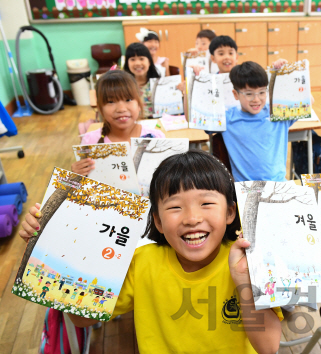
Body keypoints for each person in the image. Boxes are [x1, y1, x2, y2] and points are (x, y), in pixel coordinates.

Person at [19, 150, 283, 354]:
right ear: (157, 221)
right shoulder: (142, 262)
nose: (192, 218)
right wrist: (51, 245)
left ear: (229, 212)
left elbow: (268, 346)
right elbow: (82, 319)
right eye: (175, 207)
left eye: (206, 203)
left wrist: (243, 283)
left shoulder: (249, 263)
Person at [72, 70, 165, 176]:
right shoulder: (90, 141)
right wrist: (76, 175)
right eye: (111, 102)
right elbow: (84, 186)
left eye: (128, 99)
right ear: (100, 108)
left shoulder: (156, 137)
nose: (121, 109)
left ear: (139, 104)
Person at [214, 61, 293, 182]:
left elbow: (308, 102)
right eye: (249, 94)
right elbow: (192, 119)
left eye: (262, 92)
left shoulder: (277, 112)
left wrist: (287, 73)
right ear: (236, 94)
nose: (256, 99)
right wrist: (189, 84)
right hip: (247, 189)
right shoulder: (228, 119)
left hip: (279, 184)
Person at [124, 43, 162, 118]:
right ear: (127, 63)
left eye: (141, 59)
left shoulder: (159, 84)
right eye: (132, 59)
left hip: (157, 123)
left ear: (149, 62)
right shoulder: (124, 85)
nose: (137, 63)